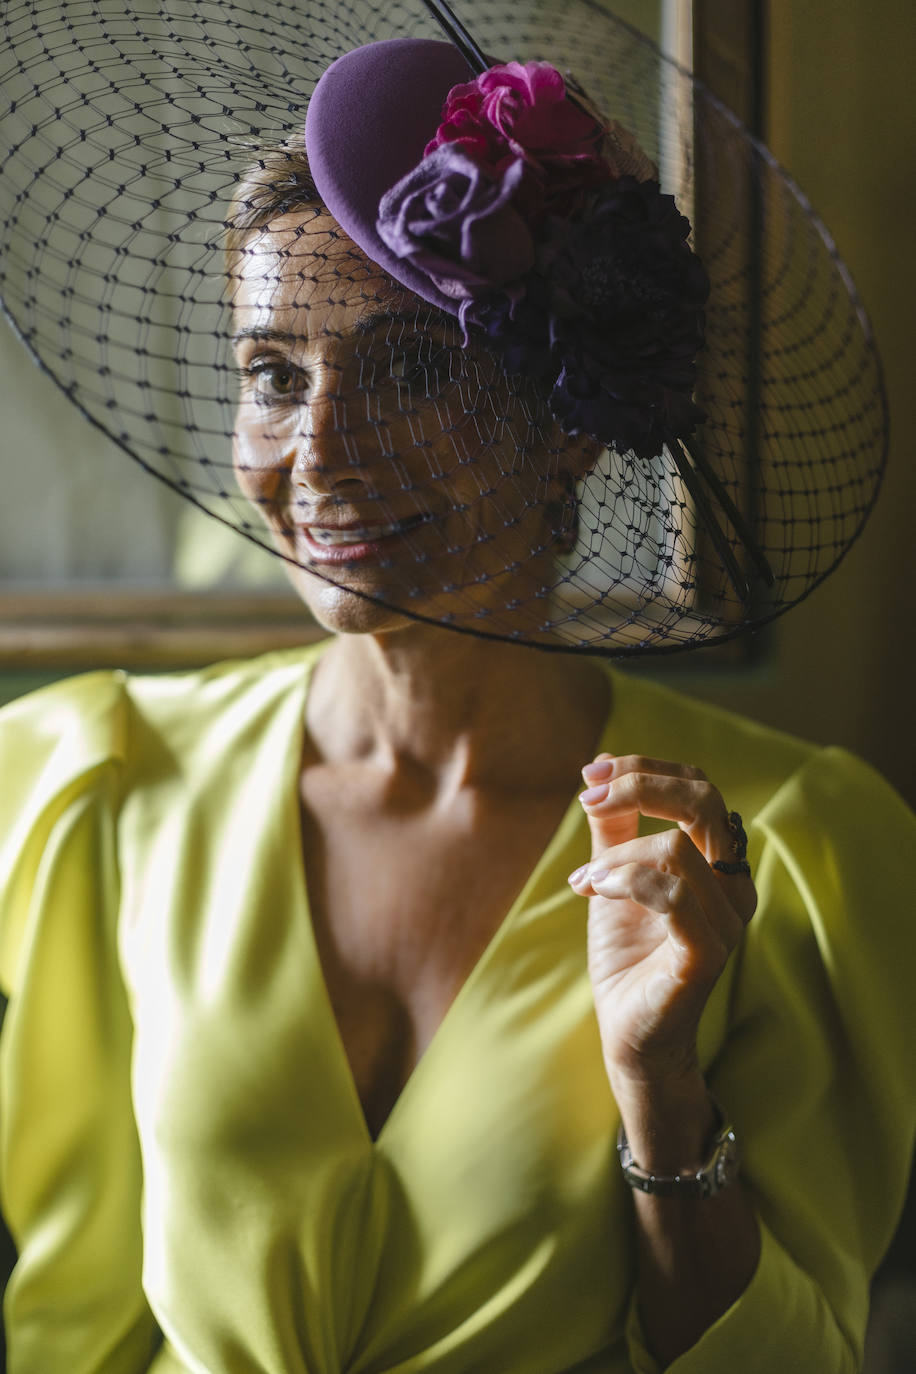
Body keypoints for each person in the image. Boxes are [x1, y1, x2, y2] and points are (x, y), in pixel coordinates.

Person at [0, 29, 914, 1374]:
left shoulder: (781, 851)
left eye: (411, 368)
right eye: (274, 376)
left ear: (568, 421)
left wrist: (661, 1097)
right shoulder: (119, 788)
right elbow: (75, 1328)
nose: (319, 456)